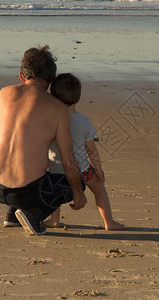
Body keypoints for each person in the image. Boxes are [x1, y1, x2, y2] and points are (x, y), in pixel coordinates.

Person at [0, 46, 87, 235]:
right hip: (25, 192)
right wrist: (78, 194)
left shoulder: (4, 93)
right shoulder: (58, 109)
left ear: (21, 76)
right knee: (72, 183)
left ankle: (12, 215)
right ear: (51, 80)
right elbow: (68, 161)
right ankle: (33, 213)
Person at [43, 73, 125, 231]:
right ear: (78, 97)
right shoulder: (83, 121)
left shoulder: (50, 119)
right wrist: (99, 170)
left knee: (55, 194)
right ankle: (109, 221)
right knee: (99, 189)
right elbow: (91, 150)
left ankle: (54, 220)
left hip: (56, 170)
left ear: (54, 96)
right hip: (82, 170)